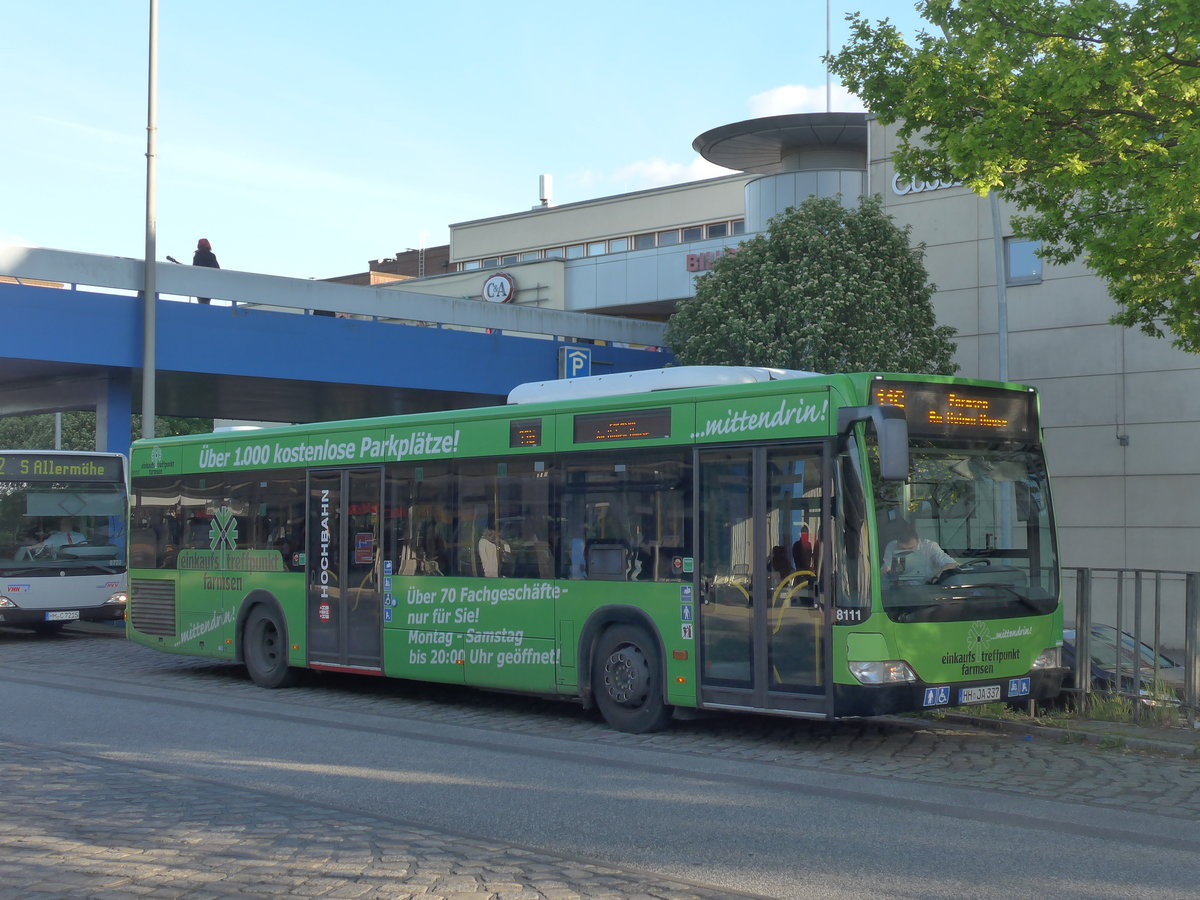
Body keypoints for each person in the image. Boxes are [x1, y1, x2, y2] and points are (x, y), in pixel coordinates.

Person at [881, 518, 958, 583]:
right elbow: (884, 570)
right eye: (903, 549)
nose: (907, 551)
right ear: (897, 542)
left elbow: (952, 564)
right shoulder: (892, 546)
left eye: (911, 548)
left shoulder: (930, 547)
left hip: (927, 589)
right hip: (900, 588)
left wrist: (936, 578)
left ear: (918, 541)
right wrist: (887, 572)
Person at [22, 518, 87, 558]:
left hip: (79, 562)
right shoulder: (55, 537)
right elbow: (42, 544)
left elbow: (85, 549)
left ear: (71, 525)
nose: (66, 525)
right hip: (59, 563)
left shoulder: (80, 536)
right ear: (60, 526)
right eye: (64, 523)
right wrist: (30, 547)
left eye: (67, 523)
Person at [192, 238, 219, 304]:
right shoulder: (212, 256)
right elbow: (217, 269)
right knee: (207, 302)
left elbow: (194, 270)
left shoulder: (197, 255)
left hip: (199, 283)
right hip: (209, 283)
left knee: (201, 302)